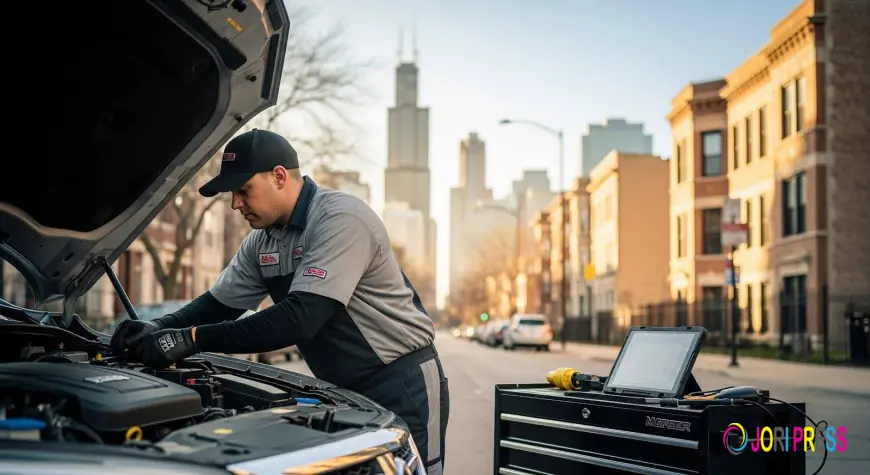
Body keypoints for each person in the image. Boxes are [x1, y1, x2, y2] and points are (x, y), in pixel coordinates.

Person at [112, 129, 449, 474]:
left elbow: (300, 318)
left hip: (401, 382)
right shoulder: (261, 242)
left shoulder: (341, 218)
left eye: (243, 190)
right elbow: (218, 305)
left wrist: (192, 339)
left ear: (279, 176)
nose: (235, 204)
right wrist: (157, 328)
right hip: (342, 390)